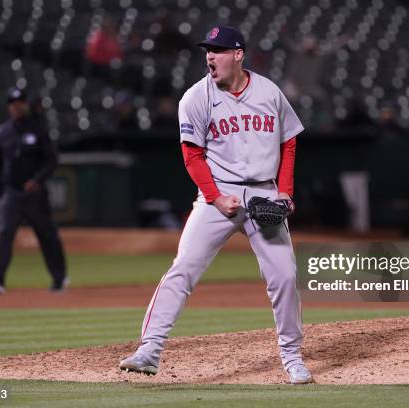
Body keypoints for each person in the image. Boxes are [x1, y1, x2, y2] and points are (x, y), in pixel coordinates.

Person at [119, 25, 312, 384]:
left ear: (238, 55)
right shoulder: (195, 97)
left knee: (284, 277)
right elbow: (192, 156)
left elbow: (289, 143)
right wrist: (214, 196)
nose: (210, 56)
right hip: (217, 191)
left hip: (264, 192)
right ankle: (150, 349)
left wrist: (284, 191)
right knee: (183, 268)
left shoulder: (269, 92)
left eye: (218, 50)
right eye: (207, 50)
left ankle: (292, 356)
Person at [0, 88, 68, 295]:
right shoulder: (3, 133)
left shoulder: (39, 129)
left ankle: (59, 278)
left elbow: (52, 159)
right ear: (9, 106)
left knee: (47, 235)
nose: (17, 105)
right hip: (11, 193)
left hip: (34, 194)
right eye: (13, 102)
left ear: (26, 104)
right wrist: (1, 192)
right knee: (4, 234)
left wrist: (38, 180)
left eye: (20, 101)